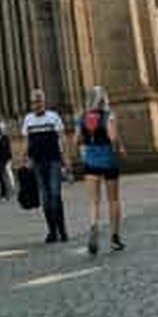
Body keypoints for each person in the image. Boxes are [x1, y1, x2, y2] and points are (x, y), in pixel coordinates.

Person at [77, 86, 126, 254]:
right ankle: (114, 237)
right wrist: (119, 147)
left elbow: (79, 139)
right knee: (113, 199)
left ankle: (93, 226)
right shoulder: (108, 116)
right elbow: (112, 137)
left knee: (93, 201)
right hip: (108, 160)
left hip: (91, 162)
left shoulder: (83, 117)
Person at [21, 88, 68, 243]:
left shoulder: (53, 117)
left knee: (55, 195)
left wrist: (65, 160)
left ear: (44, 102)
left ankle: (62, 229)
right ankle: (52, 231)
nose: (37, 105)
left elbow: (61, 138)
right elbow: (27, 142)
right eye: (34, 102)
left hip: (53, 160)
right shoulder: (28, 119)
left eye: (39, 101)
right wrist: (25, 158)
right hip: (37, 163)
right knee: (46, 198)